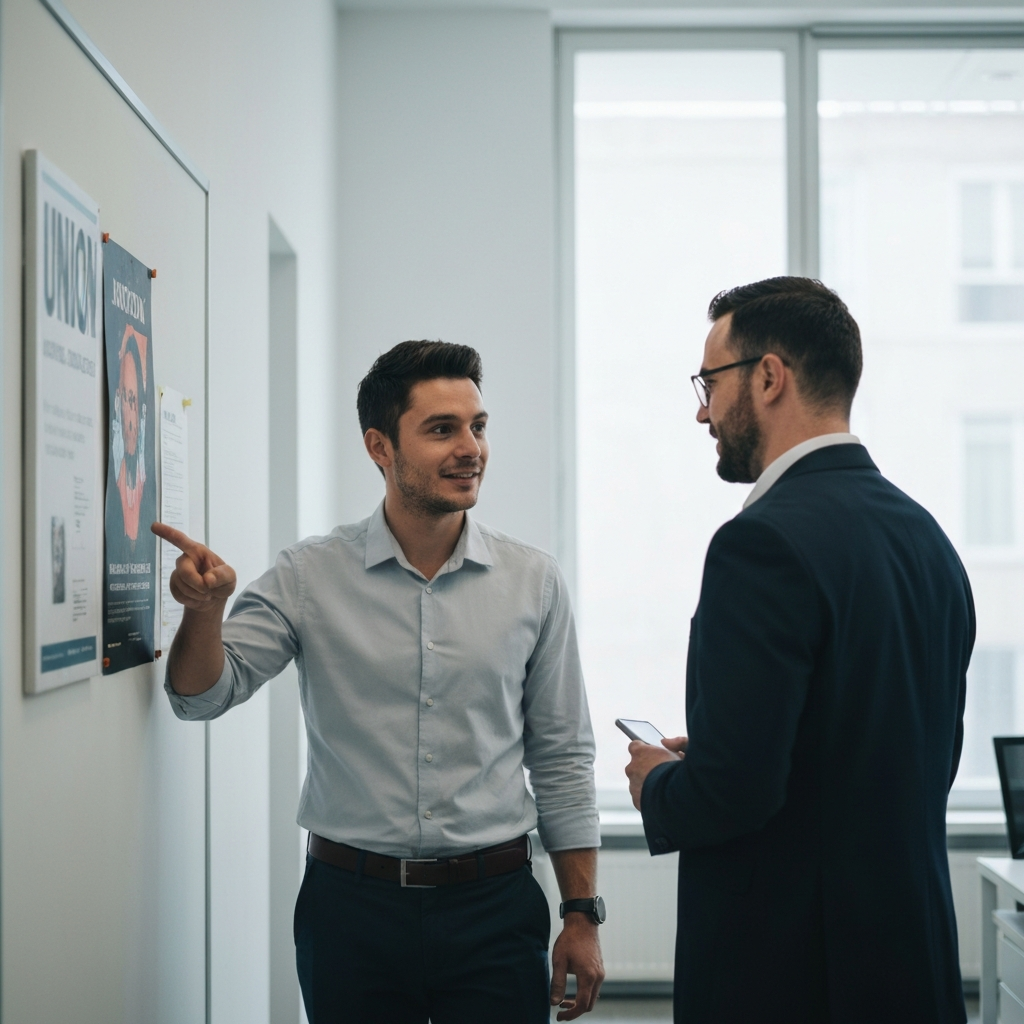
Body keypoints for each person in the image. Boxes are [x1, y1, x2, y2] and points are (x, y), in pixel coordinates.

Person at [154, 340, 605, 1023]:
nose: (470, 448)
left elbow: (563, 756)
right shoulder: (309, 576)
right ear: (379, 447)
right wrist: (206, 612)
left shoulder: (534, 583)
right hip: (350, 910)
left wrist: (581, 914)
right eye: (441, 429)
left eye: (478, 426)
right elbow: (199, 696)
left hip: (495, 906)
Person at [625, 277, 974, 1024]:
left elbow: (736, 793)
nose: (701, 410)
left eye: (710, 383)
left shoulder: (760, 544)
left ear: (770, 376)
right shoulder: (926, 539)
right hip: (909, 963)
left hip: (794, 977)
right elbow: (915, 757)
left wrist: (658, 782)